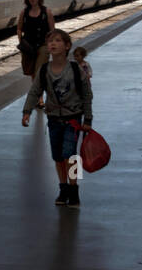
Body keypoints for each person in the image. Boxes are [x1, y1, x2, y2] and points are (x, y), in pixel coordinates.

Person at [21, 30, 92, 208]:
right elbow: (35, 91)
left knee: (71, 156)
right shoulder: (44, 70)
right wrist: (27, 111)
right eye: (50, 41)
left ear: (67, 46)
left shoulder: (75, 69)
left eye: (58, 41)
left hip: (73, 119)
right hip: (53, 120)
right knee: (58, 157)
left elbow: (86, 95)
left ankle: (74, 189)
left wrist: (88, 119)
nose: (52, 44)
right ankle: (63, 188)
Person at [17, 0, 55, 106]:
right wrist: (21, 42)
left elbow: (52, 30)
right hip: (29, 47)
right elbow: (19, 28)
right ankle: (38, 95)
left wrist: (52, 45)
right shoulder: (24, 13)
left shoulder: (46, 12)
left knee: (39, 72)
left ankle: (40, 99)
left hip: (43, 45)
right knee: (33, 73)